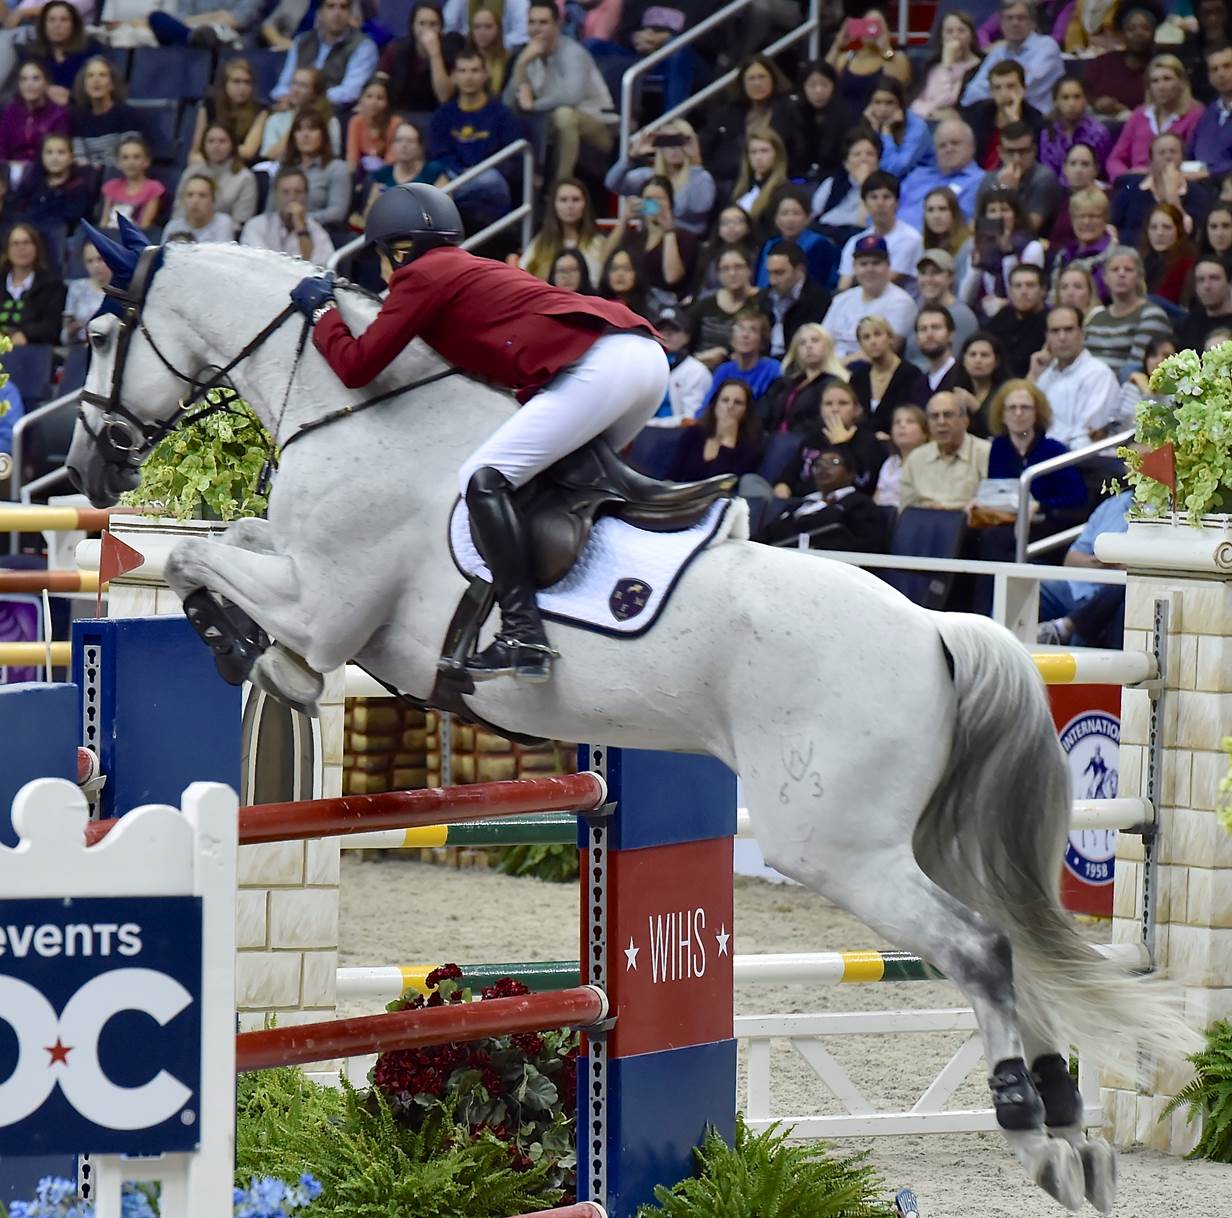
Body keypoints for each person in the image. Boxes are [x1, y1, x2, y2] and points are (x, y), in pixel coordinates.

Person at [292, 183, 678, 683]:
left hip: (602, 366)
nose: (385, 271)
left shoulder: (422, 274)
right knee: (556, 482)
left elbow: (357, 365)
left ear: (398, 249)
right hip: (639, 359)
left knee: (483, 475)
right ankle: (586, 604)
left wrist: (323, 313)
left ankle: (522, 633)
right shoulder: (463, 269)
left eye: (384, 256)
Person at [502, 1, 613, 182]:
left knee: (564, 115)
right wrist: (521, 65)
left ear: (558, 24)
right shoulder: (529, 55)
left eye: (543, 22)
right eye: (532, 22)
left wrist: (533, 105)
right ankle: (529, 184)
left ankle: (560, 185)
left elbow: (572, 96)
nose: (536, 28)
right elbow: (508, 104)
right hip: (549, 126)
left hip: (599, 125)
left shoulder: (572, 52)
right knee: (518, 122)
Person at [429, 48, 522, 225]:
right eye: (462, 71)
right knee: (437, 175)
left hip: (491, 181)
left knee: (489, 179)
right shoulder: (443, 115)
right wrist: (460, 172)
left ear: (485, 74)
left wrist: (474, 174)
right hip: (454, 176)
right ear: (454, 76)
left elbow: (511, 160)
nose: (469, 77)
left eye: (474, 70)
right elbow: (439, 155)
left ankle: (445, 198)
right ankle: (449, 198)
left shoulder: (503, 115)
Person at [1037, 488, 1131, 647]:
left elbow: (1144, 568)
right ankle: (1000, 652)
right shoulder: (1113, 504)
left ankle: (1067, 627)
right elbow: (1071, 559)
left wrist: (1117, 564)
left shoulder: (1167, 511)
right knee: (1031, 587)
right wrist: (1101, 562)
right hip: (1078, 588)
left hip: (1113, 596)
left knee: (1120, 595)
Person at [759, 442, 888, 550]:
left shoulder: (861, 505)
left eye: (834, 462)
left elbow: (866, 545)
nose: (823, 467)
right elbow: (765, 535)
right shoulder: (798, 505)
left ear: (851, 474)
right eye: (818, 464)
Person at [699, 53, 801, 190]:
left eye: (762, 77)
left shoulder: (790, 110)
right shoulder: (728, 113)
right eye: (751, 78)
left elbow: (799, 150)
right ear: (743, 83)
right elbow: (705, 146)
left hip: (780, 181)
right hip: (732, 180)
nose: (757, 83)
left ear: (773, 79)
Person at [771, 378, 887, 496]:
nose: (835, 409)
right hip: (806, 502)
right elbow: (788, 476)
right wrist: (783, 487)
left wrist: (841, 445)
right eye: (828, 404)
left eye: (843, 403)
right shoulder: (812, 439)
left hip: (845, 506)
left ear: (856, 410)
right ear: (821, 410)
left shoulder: (868, 442)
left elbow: (864, 485)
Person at [986, 378, 1088, 513]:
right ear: (1002, 415)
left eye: (1025, 407)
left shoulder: (1054, 451)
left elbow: (1078, 499)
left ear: (1037, 414)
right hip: (1005, 520)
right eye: (1012, 408)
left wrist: (1040, 506)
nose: (1018, 413)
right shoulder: (997, 448)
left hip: (1045, 525)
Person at [1029, 305, 1121, 448]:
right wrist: (1033, 375)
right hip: (1046, 458)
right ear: (1047, 337)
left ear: (1082, 333)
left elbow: (1085, 438)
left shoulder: (1099, 374)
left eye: (1068, 329)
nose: (1062, 337)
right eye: (1055, 331)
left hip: (1086, 463)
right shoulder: (1045, 376)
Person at [604, 120, 715, 237]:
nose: (674, 149)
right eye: (668, 143)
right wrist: (631, 156)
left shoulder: (701, 177)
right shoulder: (648, 176)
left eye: (679, 142)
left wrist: (695, 162)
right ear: (660, 147)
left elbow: (699, 208)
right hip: (649, 239)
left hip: (685, 242)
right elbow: (612, 183)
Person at [1106, 54, 1205, 181]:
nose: (1161, 87)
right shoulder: (1139, 115)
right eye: (1155, 81)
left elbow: (1197, 161)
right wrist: (1126, 178)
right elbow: (1115, 160)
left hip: (1177, 182)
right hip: (1136, 182)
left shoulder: (1196, 115)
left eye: (1167, 79)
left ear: (1181, 82)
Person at [604, 174, 697, 307]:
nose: (653, 203)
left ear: (670, 203)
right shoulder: (633, 237)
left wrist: (668, 231)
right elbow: (605, 259)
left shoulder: (685, 238)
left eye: (659, 199)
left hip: (666, 306)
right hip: (633, 302)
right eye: (648, 199)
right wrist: (624, 220)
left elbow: (672, 278)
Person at [1109, 131, 1211, 251]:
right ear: (1151, 160)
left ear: (1182, 159)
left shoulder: (1197, 194)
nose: (1168, 157)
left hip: (1177, 256)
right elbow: (1112, 224)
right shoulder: (1130, 190)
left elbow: (1188, 233)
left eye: (1173, 152)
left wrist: (1172, 195)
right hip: (1131, 255)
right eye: (1162, 152)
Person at [270, 0, 379, 110]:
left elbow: (351, 92)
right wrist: (285, 96)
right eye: (331, 6)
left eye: (343, 7)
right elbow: (283, 84)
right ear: (320, 13)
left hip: (335, 112)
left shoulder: (363, 46)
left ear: (350, 13)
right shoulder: (302, 41)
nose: (337, 13)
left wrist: (310, 99)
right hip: (295, 107)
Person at [821, 234, 917, 359]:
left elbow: (886, 351)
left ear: (888, 265)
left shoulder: (901, 302)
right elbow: (822, 341)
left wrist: (837, 366)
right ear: (854, 267)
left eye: (876, 263)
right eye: (863, 264)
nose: (869, 269)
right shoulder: (841, 299)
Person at [961, 0, 1064, 113]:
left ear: (1033, 22)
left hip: (1037, 120)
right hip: (998, 116)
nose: (1015, 23)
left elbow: (1022, 88)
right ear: (1001, 24)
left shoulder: (1046, 47)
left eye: (1021, 18)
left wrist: (994, 89)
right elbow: (973, 91)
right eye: (1009, 18)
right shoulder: (998, 51)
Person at [899, 389, 991, 510]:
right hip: (927, 522)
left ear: (965, 421)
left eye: (948, 415)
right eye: (934, 416)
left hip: (970, 524)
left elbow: (993, 501)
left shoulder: (987, 453)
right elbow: (906, 508)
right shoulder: (916, 458)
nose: (941, 422)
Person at [962, 186, 1045, 318]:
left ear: (1015, 215)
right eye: (992, 211)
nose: (999, 216)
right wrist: (976, 266)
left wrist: (1008, 252)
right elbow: (965, 298)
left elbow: (1020, 294)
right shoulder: (980, 247)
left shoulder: (1032, 247)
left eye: (1005, 210)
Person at [835, 170, 924, 291]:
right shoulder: (855, 241)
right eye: (873, 197)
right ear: (865, 203)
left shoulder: (911, 238)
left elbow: (885, 282)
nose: (880, 203)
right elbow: (844, 284)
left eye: (886, 197)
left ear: (897, 203)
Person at [973, 119, 1061, 234]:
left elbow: (1030, 228)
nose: (1016, 159)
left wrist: (1009, 193)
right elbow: (977, 225)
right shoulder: (989, 179)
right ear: (1000, 152)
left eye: (1023, 151)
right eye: (1010, 152)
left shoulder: (1043, 178)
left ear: (1034, 150)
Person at [669, 376, 765, 480]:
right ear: (715, 405)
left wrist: (728, 441)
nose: (730, 406)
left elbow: (725, 484)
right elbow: (671, 476)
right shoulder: (694, 433)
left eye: (738, 402)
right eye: (725, 400)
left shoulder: (751, 447)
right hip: (683, 493)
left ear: (746, 411)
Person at [758, 321, 846, 432]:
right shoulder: (782, 383)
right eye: (802, 343)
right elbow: (762, 414)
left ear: (827, 346)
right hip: (773, 442)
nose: (808, 346)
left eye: (815, 341)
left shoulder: (834, 384)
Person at [899, 119, 985, 231]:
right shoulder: (918, 175)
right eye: (942, 146)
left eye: (955, 143)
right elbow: (889, 206)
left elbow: (960, 225)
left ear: (972, 146)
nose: (949, 149)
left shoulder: (980, 181)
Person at [379, 2, 464, 114]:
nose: (427, 29)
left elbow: (444, 96)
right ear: (413, 26)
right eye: (421, 24)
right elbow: (380, 80)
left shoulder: (451, 50)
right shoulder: (396, 49)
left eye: (433, 24)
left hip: (437, 114)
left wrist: (435, 54)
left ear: (441, 28)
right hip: (401, 113)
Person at [824, 7, 911, 115]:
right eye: (867, 25)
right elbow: (823, 75)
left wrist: (885, 47)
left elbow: (895, 84)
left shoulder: (895, 57)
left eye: (877, 25)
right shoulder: (847, 58)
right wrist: (837, 45)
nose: (872, 30)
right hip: (846, 120)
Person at [358, 121, 449, 223]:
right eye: (399, 140)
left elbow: (446, 213)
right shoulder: (383, 174)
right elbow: (369, 215)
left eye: (410, 141)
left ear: (420, 146)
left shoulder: (434, 172)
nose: (404, 145)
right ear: (392, 146)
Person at [850, 314, 928, 434]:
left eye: (877, 334)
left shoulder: (911, 375)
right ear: (860, 345)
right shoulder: (858, 377)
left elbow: (916, 416)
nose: (873, 341)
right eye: (866, 337)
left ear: (890, 338)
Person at [1083, 1, 1162, 117]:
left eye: (1145, 28)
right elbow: (1082, 95)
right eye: (1131, 29)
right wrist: (1096, 102)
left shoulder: (1162, 67)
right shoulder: (1101, 65)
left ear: (1154, 33)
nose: (1138, 33)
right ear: (1122, 35)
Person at [962, 59, 1045, 169]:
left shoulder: (1036, 120)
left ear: (1023, 89)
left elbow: (1031, 164)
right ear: (991, 92)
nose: (1004, 94)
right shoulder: (978, 112)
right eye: (997, 88)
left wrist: (1015, 122)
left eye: (1010, 86)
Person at [69, 55, 146, 172]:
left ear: (112, 84)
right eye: (90, 76)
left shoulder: (127, 114)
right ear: (84, 85)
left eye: (102, 75)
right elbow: (79, 158)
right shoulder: (78, 117)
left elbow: (129, 157)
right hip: (88, 179)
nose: (96, 80)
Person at [241, 165, 334, 261]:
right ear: (276, 195)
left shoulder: (316, 230)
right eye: (285, 192)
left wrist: (301, 229)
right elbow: (259, 262)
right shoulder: (256, 225)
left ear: (306, 196)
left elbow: (320, 268)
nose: (292, 198)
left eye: (298, 192)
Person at [174, 123, 258, 230]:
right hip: (187, 235)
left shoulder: (245, 177)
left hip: (225, 237)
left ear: (232, 144)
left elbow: (241, 221)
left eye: (222, 141)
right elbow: (178, 211)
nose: (216, 146)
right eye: (211, 141)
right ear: (203, 145)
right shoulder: (191, 172)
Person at [905, 249, 978, 367]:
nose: (928, 279)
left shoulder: (961, 315)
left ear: (950, 277)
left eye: (935, 273)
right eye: (923, 273)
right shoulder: (917, 311)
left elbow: (954, 364)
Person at [757, 241, 831, 360]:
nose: (772, 281)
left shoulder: (819, 300)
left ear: (800, 270)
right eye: (769, 273)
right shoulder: (765, 297)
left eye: (779, 273)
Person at [280, 109, 352, 229]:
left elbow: (337, 213)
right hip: (280, 232)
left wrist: (301, 219)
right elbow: (270, 210)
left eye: (312, 129)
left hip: (322, 233)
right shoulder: (284, 168)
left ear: (323, 134)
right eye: (299, 130)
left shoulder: (337, 168)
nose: (305, 135)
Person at [19, 1, 99, 109]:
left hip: (80, 111)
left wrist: (70, 98)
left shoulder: (90, 50)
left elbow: (98, 88)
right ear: (43, 25)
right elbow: (22, 88)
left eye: (64, 20)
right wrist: (45, 91)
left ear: (74, 24)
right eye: (51, 20)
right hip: (41, 110)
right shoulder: (32, 53)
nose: (57, 25)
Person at [690, 244, 757, 369]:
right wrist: (697, 359)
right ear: (718, 274)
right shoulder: (705, 304)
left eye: (738, 267)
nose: (732, 273)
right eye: (725, 269)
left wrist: (725, 356)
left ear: (750, 270)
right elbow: (685, 337)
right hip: (701, 367)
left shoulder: (760, 302)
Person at [755, 186, 837, 289]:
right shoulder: (768, 246)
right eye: (784, 213)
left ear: (807, 218)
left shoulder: (819, 245)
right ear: (775, 219)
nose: (790, 219)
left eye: (796, 213)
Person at [809, 129, 880, 247]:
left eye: (870, 154)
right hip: (825, 234)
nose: (864, 159)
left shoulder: (883, 188)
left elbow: (862, 223)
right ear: (846, 162)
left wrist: (865, 184)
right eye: (857, 154)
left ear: (878, 161)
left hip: (857, 240)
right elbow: (812, 214)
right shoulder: (832, 183)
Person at [10, 130, 92, 232]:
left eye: (61, 152)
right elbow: (15, 208)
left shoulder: (79, 187)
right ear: (42, 157)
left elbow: (70, 221)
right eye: (49, 153)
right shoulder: (32, 183)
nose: (54, 158)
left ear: (71, 157)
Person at [700, 309, 781, 408]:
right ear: (732, 338)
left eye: (753, 330)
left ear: (762, 341)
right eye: (740, 329)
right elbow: (706, 407)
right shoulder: (723, 370)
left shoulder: (773, 369)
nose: (745, 335)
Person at [0, 222, 65, 345]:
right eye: (15, 243)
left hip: (33, 349)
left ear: (36, 248)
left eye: (26, 242)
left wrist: (26, 334)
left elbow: (51, 326)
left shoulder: (52, 285)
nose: (21, 248)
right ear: (7, 251)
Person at [259, 67, 342, 163]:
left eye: (303, 86)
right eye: (294, 83)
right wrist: (296, 123)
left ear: (315, 92)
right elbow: (270, 155)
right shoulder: (276, 119)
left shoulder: (330, 121)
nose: (296, 90)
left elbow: (334, 155)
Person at [910, 11, 982, 121]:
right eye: (949, 31)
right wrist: (929, 113)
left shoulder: (979, 67)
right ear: (941, 38)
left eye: (961, 31)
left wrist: (947, 65)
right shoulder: (932, 65)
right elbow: (916, 102)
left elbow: (945, 101)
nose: (955, 36)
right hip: (925, 120)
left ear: (971, 36)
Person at [1039, 78, 1112, 181]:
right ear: (1056, 102)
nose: (1072, 103)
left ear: (1085, 100)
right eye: (1065, 98)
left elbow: (1102, 171)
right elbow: (1048, 173)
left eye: (1077, 97)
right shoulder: (1047, 134)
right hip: (1055, 192)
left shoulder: (1099, 133)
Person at [0, 61, 67, 170]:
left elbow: (60, 151)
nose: (29, 84)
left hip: (45, 172)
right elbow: (2, 149)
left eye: (36, 78)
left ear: (46, 83)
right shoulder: (10, 112)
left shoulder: (58, 114)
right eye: (24, 79)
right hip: (10, 171)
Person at [1051, 187, 1115, 300]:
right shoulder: (1063, 255)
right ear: (1072, 220)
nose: (1086, 222)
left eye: (1093, 216)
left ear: (1105, 219)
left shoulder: (1113, 255)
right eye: (1080, 216)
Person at [984, 261, 1047, 376]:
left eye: (1030, 285)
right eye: (1018, 286)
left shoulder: (1051, 322)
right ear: (1010, 292)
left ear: (1043, 290)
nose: (1023, 291)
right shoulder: (1001, 318)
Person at [863, 75, 931, 178]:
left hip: (917, 181)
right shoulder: (870, 121)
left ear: (900, 104)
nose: (882, 109)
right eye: (877, 102)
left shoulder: (917, 127)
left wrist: (886, 132)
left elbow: (895, 169)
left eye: (889, 103)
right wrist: (875, 131)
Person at [793, 59, 851, 180]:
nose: (818, 91)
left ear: (833, 86)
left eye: (824, 84)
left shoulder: (846, 116)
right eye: (812, 85)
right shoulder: (793, 113)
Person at [99, 134, 165, 229]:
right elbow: (104, 222)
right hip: (110, 236)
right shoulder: (111, 186)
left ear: (146, 161)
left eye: (136, 157)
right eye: (125, 157)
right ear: (118, 163)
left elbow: (144, 225)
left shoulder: (153, 188)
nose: (131, 162)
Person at [1187, 44, 1232, 178]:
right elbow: (1191, 152)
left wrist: (1210, 173)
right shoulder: (1208, 113)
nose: (1221, 74)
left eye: (1227, 66)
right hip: (1199, 181)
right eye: (1214, 69)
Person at [730, 127, 789, 228]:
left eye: (764, 151)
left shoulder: (784, 192)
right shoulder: (739, 188)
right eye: (753, 152)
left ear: (777, 154)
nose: (758, 157)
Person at [913, 304, 975, 399]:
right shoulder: (917, 386)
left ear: (951, 335)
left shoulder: (966, 376)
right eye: (923, 329)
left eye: (936, 327)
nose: (929, 334)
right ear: (917, 338)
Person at [874, 403, 929, 506]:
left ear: (924, 433)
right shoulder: (890, 462)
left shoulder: (928, 463)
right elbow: (877, 497)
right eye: (897, 422)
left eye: (910, 421)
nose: (902, 425)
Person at [692, 203, 753, 297]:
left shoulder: (757, 254)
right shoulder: (708, 253)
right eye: (725, 223)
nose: (731, 227)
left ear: (748, 227)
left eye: (737, 221)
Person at [1140, 202, 1196, 302]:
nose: (1159, 233)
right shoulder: (1141, 260)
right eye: (1153, 227)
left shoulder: (1185, 264)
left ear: (1178, 231)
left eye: (1166, 227)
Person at [345, 76, 400, 175]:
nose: (373, 102)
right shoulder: (356, 122)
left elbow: (391, 162)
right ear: (361, 99)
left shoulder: (396, 124)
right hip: (361, 174)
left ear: (388, 102)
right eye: (369, 97)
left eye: (380, 98)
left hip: (387, 175)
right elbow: (352, 158)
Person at [1175, 255, 1232, 350]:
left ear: (1229, 284)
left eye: (1214, 278)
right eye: (1201, 280)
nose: (1207, 286)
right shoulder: (1188, 325)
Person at [920, 185, 973, 284]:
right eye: (930, 210)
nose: (936, 216)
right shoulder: (920, 244)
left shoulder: (968, 247)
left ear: (954, 213)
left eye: (942, 209)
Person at [61, 234, 109, 344]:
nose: (95, 266)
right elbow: (64, 336)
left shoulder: (123, 289)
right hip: (82, 346)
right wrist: (72, 329)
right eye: (89, 261)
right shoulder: (76, 287)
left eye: (100, 259)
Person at [956, 329, 1006, 434]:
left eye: (984, 355)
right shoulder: (956, 390)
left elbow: (1000, 431)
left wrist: (975, 407)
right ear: (964, 360)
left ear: (996, 362)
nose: (978, 360)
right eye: (972, 355)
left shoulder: (1005, 393)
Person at [162, 174, 235, 242]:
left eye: (202, 195)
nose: (195, 201)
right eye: (190, 195)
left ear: (213, 200)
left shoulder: (223, 223)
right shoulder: (173, 227)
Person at [598, 246, 648, 315]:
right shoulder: (597, 307)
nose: (620, 273)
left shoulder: (649, 310)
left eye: (627, 268)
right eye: (614, 268)